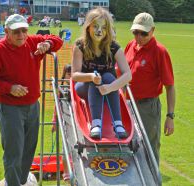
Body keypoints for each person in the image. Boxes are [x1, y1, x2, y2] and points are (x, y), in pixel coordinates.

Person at [0, 14, 63, 186]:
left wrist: (48, 43)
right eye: (16, 31)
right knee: (14, 152)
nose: (21, 35)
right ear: (6, 31)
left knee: (29, 150)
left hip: (33, 105)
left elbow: (57, 39)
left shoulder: (32, 42)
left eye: (24, 30)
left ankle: (20, 182)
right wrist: (9, 88)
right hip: (9, 107)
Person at [72, 7, 132, 139]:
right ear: (88, 27)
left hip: (108, 89)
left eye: (104, 28)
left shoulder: (113, 47)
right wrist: (91, 77)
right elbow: (75, 75)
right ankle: (96, 124)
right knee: (97, 77)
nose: (99, 31)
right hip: (84, 87)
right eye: (96, 26)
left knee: (108, 76)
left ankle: (118, 123)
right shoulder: (80, 46)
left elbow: (128, 74)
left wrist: (110, 87)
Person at [125, 12, 175, 166]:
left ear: (152, 30)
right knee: (127, 146)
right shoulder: (130, 46)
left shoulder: (160, 51)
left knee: (148, 148)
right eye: (135, 32)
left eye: (144, 33)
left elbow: (170, 86)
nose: (139, 36)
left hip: (147, 107)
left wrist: (170, 116)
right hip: (127, 105)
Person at [51, 64, 71, 183]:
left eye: (73, 74)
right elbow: (56, 108)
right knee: (65, 149)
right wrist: (54, 122)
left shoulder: (79, 88)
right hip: (65, 123)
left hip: (76, 123)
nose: (71, 77)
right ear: (64, 76)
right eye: (68, 74)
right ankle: (67, 172)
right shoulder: (61, 91)